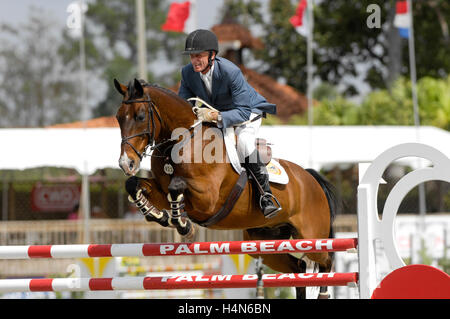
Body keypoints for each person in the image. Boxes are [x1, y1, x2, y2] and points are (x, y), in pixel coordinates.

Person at [178, 29, 281, 218]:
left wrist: (214, 116)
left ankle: (266, 196)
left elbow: (242, 111)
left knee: (243, 143)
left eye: (199, 55)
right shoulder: (187, 73)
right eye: (192, 56)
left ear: (212, 55)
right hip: (218, 115)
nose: (194, 60)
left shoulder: (230, 71)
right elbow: (184, 105)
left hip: (249, 113)